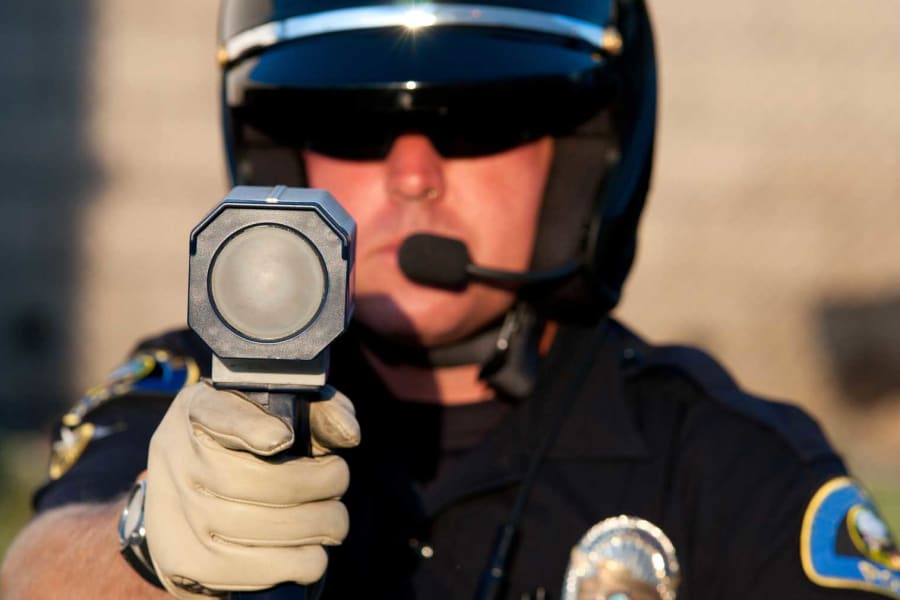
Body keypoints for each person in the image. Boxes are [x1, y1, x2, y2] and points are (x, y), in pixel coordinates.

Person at [2, 1, 900, 598]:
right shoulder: (195, 392)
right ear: (281, 159)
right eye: (354, 120)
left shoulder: (720, 461)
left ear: (581, 158)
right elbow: (40, 567)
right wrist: (152, 538)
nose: (412, 176)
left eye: (477, 121)